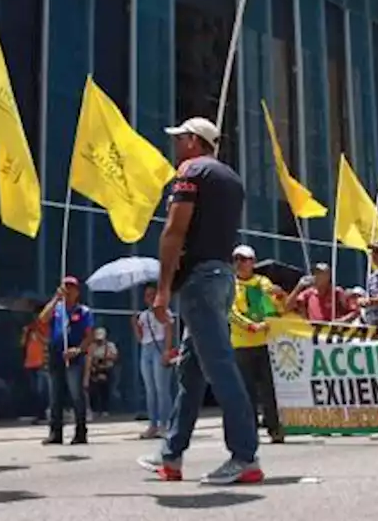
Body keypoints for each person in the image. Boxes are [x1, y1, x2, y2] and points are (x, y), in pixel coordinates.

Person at [140, 116, 263, 485]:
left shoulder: (191, 170)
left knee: (220, 367)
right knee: (190, 371)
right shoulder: (231, 178)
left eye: (180, 138)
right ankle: (171, 454)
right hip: (222, 277)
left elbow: (174, 230)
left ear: (194, 141)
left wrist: (162, 289)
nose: (177, 145)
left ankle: (245, 456)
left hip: (200, 281)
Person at [230, 245, 286, 445]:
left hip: (265, 342)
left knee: (269, 389)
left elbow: (273, 308)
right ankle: (249, 431)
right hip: (241, 344)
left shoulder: (262, 282)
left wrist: (279, 298)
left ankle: (275, 428)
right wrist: (250, 325)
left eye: (244, 259)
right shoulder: (230, 285)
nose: (240, 263)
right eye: (237, 259)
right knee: (246, 391)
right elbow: (231, 312)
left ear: (253, 262)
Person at [38, 276, 94, 446]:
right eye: (65, 287)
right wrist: (55, 298)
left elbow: (90, 335)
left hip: (74, 354)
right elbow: (43, 318)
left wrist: (78, 349)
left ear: (77, 292)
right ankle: (55, 433)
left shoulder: (83, 311)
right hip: (56, 353)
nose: (68, 291)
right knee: (55, 395)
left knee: (76, 395)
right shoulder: (57, 309)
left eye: (71, 288)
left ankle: (80, 432)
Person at [134, 283, 175, 439]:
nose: (150, 298)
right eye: (147, 295)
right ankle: (153, 425)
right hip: (146, 349)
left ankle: (165, 425)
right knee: (150, 390)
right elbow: (140, 338)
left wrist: (167, 351)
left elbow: (169, 331)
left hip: (160, 348)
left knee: (162, 389)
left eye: (152, 294)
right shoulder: (143, 315)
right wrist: (135, 326)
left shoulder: (164, 311)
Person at [288, 264, 357, 323]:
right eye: (314, 273)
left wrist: (341, 321)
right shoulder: (308, 293)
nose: (316, 276)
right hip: (313, 332)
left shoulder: (337, 292)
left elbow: (354, 312)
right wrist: (299, 287)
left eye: (319, 274)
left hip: (331, 333)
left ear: (328, 276)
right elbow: (288, 306)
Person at [85, 328, 119, 417]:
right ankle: (94, 409)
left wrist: (105, 357)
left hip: (107, 369)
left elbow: (115, 357)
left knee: (105, 390)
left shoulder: (110, 346)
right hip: (95, 370)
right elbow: (89, 358)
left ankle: (105, 409)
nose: (99, 341)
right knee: (93, 390)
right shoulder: (92, 346)